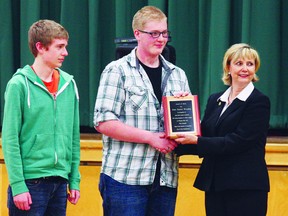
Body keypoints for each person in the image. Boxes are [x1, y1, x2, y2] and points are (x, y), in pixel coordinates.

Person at [93, 5, 191, 216]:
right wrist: (150, 138)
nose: (161, 39)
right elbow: (104, 122)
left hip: (166, 177)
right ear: (137, 34)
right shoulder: (116, 70)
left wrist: (184, 115)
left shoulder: (178, 74)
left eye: (164, 33)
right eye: (154, 33)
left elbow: (185, 127)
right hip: (125, 178)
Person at [175, 43, 270, 216]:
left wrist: (197, 141)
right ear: (228, 67)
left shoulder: (259, 101)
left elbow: (239, 141)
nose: (245, 69)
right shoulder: (215, 100)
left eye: (250, 64)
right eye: (239, 63)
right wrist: (174, 136)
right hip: (215, 185)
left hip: (245, 187)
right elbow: (204, 134)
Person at [1, 19, 81, 215]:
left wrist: (74, 179)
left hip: (60, 183)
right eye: (59, 47)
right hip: (30, 184)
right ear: (40, 47)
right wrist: (18, 185)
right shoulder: (18, 85)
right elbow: (10, 139)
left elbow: (73, 137)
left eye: (65, 46)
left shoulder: (69, 85)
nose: (65, 53)